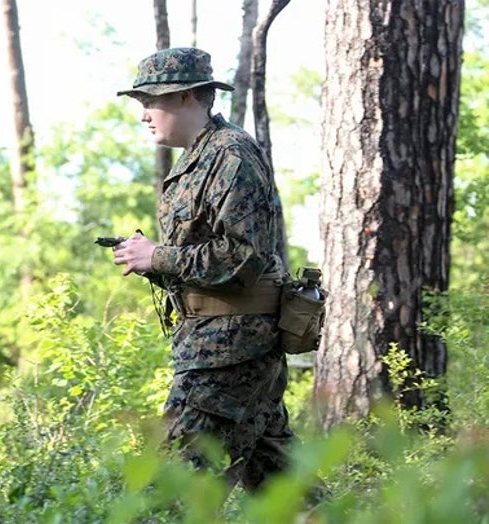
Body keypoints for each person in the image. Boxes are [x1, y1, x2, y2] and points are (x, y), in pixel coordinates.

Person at [110, 47, 295, 493]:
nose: (143, 114)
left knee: (171, 489)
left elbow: (244, 257)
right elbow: (211, 255)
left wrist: (159, 256)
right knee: (284, 491)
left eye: (150, 101)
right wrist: (147, 258)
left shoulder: (230, 155)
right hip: (222, 344)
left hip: (229, 352)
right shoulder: (201, 156)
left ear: (187, 96)